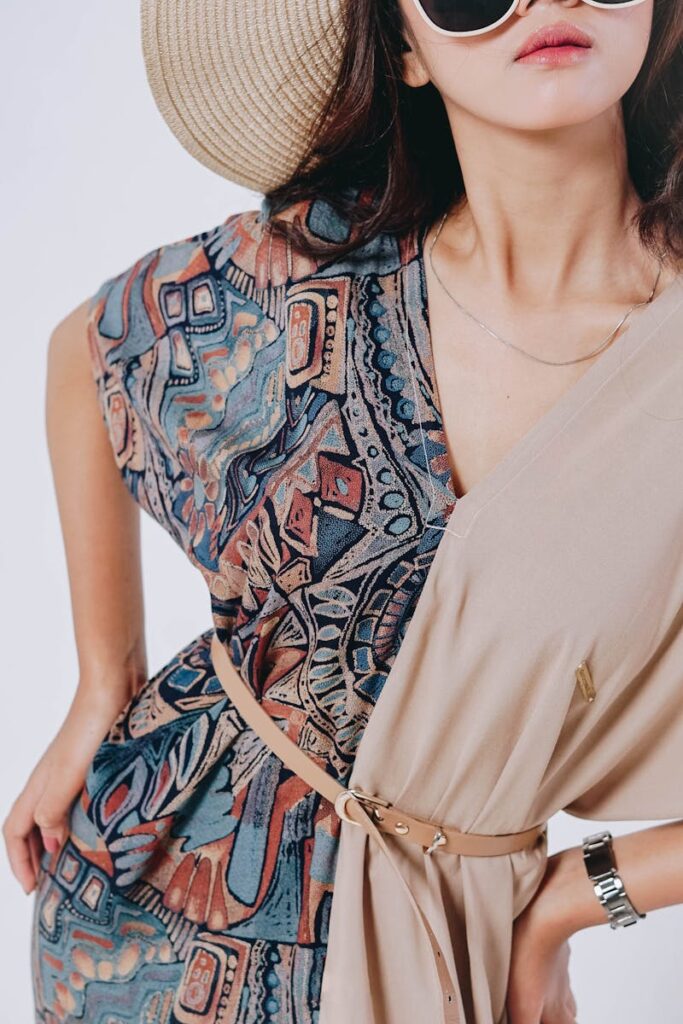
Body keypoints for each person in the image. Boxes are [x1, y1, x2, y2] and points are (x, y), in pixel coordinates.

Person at [4, 0, 683, 1022]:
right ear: (405, 48)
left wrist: (569, 905)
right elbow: (87, 347)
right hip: (145, 916)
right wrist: (104, 682)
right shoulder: (325, 262)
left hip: (452, 939)